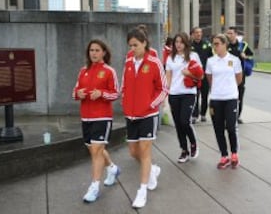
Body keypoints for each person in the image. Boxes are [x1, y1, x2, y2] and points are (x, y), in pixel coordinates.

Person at [121, 28, 168, 208]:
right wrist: (124, 99)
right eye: (131, 45)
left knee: (145, 150)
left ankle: (142, 191)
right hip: (131, 115)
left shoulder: (154, 62)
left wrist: (151, 104)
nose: (133, 48)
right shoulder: (129, 63)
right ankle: (152, 170)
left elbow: (163, 88)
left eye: (136, 45)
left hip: (148, 114)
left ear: (144, 43)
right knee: (133, 152)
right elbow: (124, 86)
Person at [72, 39, 121, 203]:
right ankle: (113, 169)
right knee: (93, 149)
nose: (93, 53)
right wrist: (77, 94)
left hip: (102, 117)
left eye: (97, 50)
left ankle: (94, 187)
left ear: (104, 53)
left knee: (96, 151)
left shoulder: (109, 71)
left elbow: (115, 93)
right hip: (85, 116)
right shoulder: (83, 71)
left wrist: (101, 93)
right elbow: (75, 90)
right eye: (91, 50)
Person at [205, 33, 242, 169]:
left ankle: (234, 154)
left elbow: (239, 79)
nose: (215, 47)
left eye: (217, 44)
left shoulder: (234, 60)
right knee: (218, 129)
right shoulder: (211, 61)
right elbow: (209, 79)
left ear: (225, 44)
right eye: (213, 44)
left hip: (231, 98)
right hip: (216, 99)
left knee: (231, 127)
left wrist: (229, 89)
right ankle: (224, 156)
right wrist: (217, 89)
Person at [165, 32, 203, 163]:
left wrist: (190, 74)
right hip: (174, 94)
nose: (178, 44)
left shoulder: (193, 56)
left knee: (184, 121)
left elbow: (201, 76)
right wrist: (166, 92)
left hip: (189, 93)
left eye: (181, 42)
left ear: (186, 43)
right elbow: (168, 77)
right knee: (178, 124)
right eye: (176, 42)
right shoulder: (170, 58)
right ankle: (184, 150)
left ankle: (193, 143)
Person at [226, 27, 254, 124]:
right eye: (228, 33)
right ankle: (229, 116)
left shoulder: (243, 45)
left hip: (240, 75)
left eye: (230, 33)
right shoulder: (225, 45)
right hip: (228, 76)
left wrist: (245, 56)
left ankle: (237, 116)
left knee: (239, 96)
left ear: (235, 34)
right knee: (229, 96)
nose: (228, 35)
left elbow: (251, 56)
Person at [190, 27, 213, 123]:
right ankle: (195, 115)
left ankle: (203, 114)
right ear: (192, 34)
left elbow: (212, 58)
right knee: (195, 95)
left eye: (200, 32)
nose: (199, 34)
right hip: (194, 75)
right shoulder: (189, 45)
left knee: (205, 95)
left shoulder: (207, 44)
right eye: (196, 32)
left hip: (205, 74)